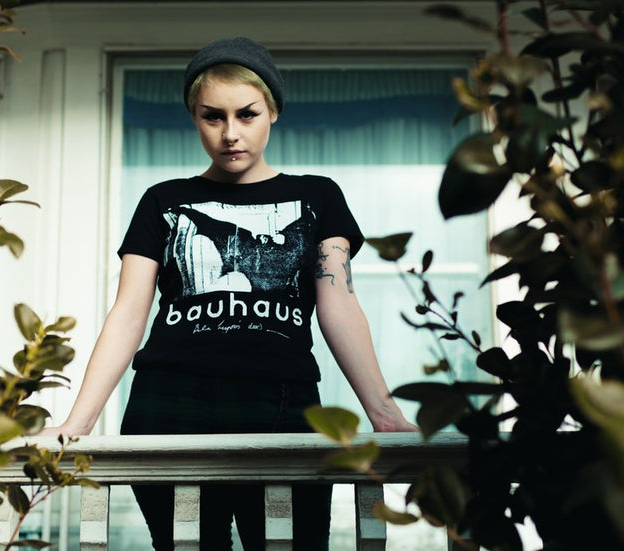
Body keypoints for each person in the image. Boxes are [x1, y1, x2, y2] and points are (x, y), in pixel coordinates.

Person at [39, 36, 417, 550]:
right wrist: (78, 422)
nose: (230, 133)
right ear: (194, 117)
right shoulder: (163, 201)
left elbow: (339, 305)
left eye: (247, 114)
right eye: (212, 116)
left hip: (283, 405)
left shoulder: (317, 196)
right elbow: (128, 314)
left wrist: (384, 414)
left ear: (273, 111)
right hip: (170, 406)